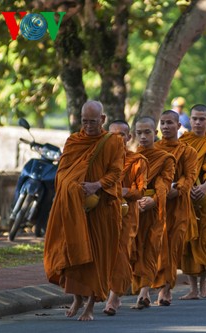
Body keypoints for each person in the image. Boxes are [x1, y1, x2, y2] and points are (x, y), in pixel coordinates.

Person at [44, 100, 124, 321]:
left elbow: (116, 172)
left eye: (93, 121)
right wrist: (73, 188)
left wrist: (95, 185)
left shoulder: (114, 142)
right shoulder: (74, 141)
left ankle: (90, 304)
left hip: (103, 208)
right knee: (74, 250)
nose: (88, 126)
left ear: (103, 120)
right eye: (85, 121)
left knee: (97, 256)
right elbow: (62, 173)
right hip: (75, 206)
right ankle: (77, 297)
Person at [153, 110, 198, 306]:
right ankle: (159, 286)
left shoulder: (188, 151)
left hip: (178, 204)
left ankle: (166, 287)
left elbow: (190, 176)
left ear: (178, 126)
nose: (165, 126)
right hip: (157, 204)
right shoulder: (153, 149)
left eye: (170, 123)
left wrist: (177, 189)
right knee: (158, 245)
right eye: (162, 123)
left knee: (172, 247)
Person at [130, 116, 175, 309]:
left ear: (155, 134)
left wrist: (153, 200)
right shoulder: (131, 158)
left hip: (155, 209)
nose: (143, 136)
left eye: (147, 132)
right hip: (134, 209)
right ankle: (141, 288)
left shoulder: (165, 158)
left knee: (150, 249)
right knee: (134, 249)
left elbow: (164, 184)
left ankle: (144, 291)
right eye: (139, 133)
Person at [104, 120, 148, 315]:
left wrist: (124, 191)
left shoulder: (137, 161)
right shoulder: (100, 160)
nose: (117, 139)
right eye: (113, 135)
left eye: (122, 134)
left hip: (127, 214)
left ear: (129, 137)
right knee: (103, 253)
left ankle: (114, 297)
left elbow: (140, 191)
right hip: (104, 213)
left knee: (122, 254)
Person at [179, 104, 206, 299]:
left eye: (202, 119)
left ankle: (204, 284)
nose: (197, 122)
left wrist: (205, 186)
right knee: (189, 240)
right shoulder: (183, 141)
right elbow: (180, 169)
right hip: (187, 195)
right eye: (194, 118)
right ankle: (193, 288)